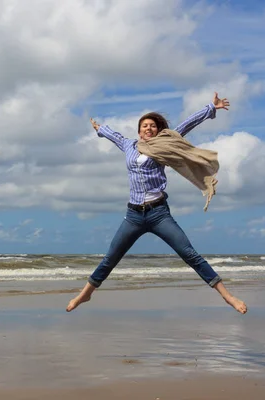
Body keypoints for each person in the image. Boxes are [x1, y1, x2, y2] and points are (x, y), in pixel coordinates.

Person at [66, 93, 247, 314]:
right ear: (139, 130)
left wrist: (211, 108)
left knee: (189, 254)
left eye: (152, 126)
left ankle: (228, 297)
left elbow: (186, 125)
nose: (148, 129)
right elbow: (114, 136)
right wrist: (100, 129)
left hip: (158, 213)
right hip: (133, 215)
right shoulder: (129, 145)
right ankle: (85, 294)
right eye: (144, 126)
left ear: (157, 130)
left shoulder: (164, 143)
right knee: (111, 257)